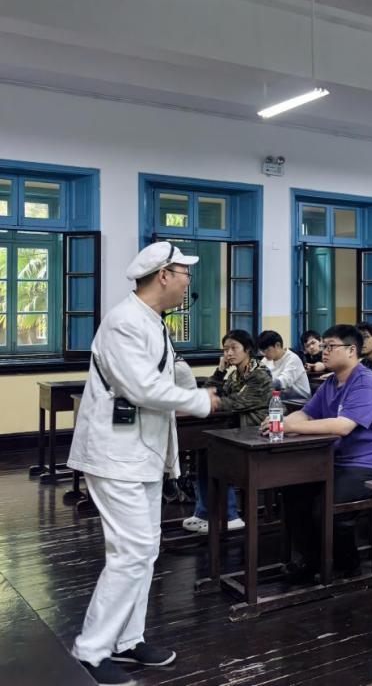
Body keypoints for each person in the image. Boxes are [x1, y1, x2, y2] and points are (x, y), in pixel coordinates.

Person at [67, 241, 220, 686]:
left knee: (144, 550)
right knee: (131, 552)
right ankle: (91, 649)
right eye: (185, 274)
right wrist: (201, 400)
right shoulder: (124, 322)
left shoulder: (152, 321)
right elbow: (142, 388)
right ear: (164, 275)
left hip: (141, 454)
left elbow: (159, 381)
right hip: (116, 456)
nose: (189, 283)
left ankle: (127, 639)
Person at [269, 324, 372, 580]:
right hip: (342, 461)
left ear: (351, 350)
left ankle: (347, 564)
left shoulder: (365, 382)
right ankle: (312, 561)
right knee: (294, 491)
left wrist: (290, 427)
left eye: (331, 346)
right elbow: (306, 413)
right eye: (323, 346)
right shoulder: (331, 383)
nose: (324, 351)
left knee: (325, 505)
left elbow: (343, 426)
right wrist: (280, 422)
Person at [183, 330, 273, 535]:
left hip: (255, 430)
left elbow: (236, 403)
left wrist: (204, 403)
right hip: (236, 427)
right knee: (203, 451)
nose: (229, 353)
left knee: (217, 454)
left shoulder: (259, 374)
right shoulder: (234, 374)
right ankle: (204, 511)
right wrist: (219, 372)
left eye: (234, 348)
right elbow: (210, 390)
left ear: (247, 349)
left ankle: (230, 516)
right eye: (225, 349)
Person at [258, 329, 311, 400]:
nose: (264, 354)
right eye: (262, 351)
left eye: (267, 350)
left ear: (277, 345)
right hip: (279, 397)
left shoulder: (293, 359)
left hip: (299, 400)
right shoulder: (266, 360)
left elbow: (282, 382)